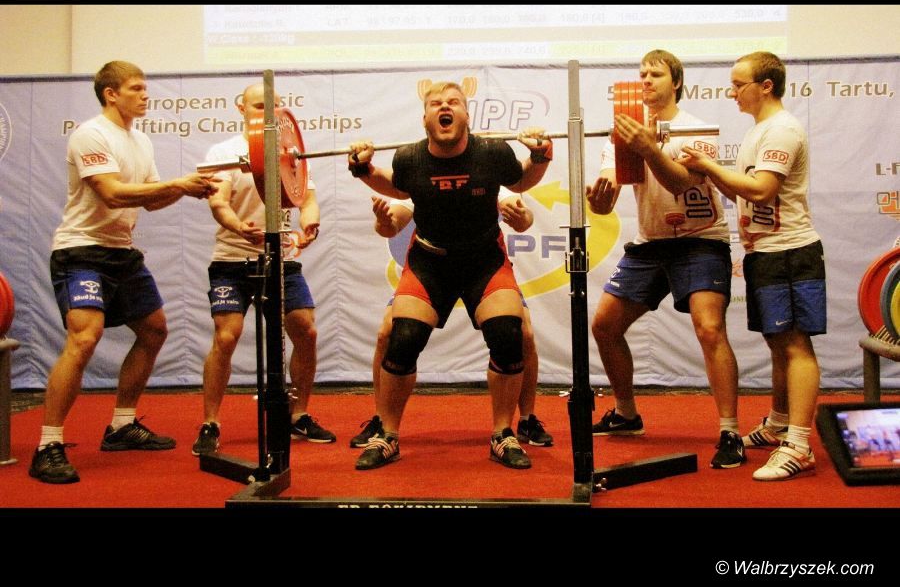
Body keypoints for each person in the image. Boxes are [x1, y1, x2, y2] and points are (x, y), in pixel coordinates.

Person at [346, 81, 552, 470]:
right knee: (402, 338)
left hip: (484, 261)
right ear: (425, 118)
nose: (445, 107)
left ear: (466, 115)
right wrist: (362, 168)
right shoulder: (409, 158)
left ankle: (503, 433)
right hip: (430, 263)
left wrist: (540, 155)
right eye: (436, 103)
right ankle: (387, 434)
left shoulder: (492, 153)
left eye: (454, 102)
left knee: (508, 334)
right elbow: (395, 188)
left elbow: (521, 180)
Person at [30, 61, 220, 484]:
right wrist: (178, 184)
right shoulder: (91, 134)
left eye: (145, 88)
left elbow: (150, 200)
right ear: (111, 94)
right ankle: (48, 444)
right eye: (136, 88)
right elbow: (113, 194)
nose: (145, 95)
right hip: (81, 250)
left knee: (154, 331)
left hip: (121, 252)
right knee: (85, 337)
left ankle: (121, 425)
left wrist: (192, 189)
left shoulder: (140, 140)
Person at [585, 50, 744, 469]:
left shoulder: (695, 129)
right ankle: (626, 414)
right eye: (641, 74)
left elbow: (680, 183)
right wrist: (599, 200)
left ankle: (730, 431)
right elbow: (607, 195)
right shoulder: (624, 132)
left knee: (709, 328)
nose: (646, 80)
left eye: (655, 74)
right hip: (651, 243)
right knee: (604, 325)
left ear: (676, 81)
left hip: (700, 240)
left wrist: (649, 149)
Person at [679, 51, 825, 481]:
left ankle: (799, 445)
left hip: (790, 252)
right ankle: (779, 424)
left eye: (738, 84)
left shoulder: (781, 130)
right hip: (764, 253)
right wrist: (708, 172)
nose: (732, 93)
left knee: (796, 346)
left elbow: (762, 190)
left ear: (765, 86)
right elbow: (744, 191)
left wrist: (707, 165)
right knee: (779, 343)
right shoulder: (759, 131)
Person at [191, 83, 334, 456]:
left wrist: (311, 223)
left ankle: (298, 414)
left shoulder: (290, 153)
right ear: (242, 109)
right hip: (232, 261)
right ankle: (210, 422)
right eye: (259, 106)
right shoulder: (223, 152)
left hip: (280, 261)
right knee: (227, 337)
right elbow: (218, 203)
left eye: (274, 105)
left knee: (306, 330)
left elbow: (307, 198)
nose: (268, 112)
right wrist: (239, 227)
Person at [349, 192, 554, 449]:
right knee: (388, 333)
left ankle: (526, 419)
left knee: (522, 332)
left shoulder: (487, 173)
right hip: (433, 267)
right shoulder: (425, 176)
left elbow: (521, 216)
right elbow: (392, 224)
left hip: (482, 265)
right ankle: (381, 421)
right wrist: (384, 222)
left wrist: (523, 217)